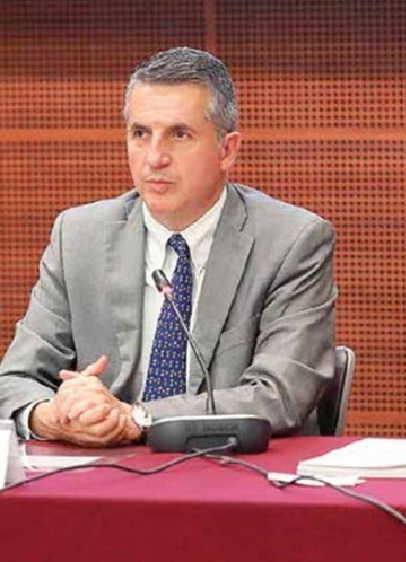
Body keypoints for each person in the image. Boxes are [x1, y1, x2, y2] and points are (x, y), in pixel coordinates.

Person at [0, 47, 337, 447]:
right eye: (140, 134)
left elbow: (279, 393)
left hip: (234, 469)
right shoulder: (78, 236)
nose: (155, 158)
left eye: (179, 135)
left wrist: (138, 417)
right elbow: (15, 379)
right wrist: (51, 416)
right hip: (102, 471)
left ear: (227, 150)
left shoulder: (291, 241)